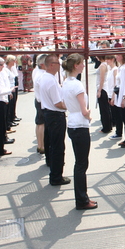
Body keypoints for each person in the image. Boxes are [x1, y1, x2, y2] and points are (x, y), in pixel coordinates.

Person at [61, 54, 98, 211]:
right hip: (80, 124)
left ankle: (82, 197)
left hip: (72, 123)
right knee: (82, 164)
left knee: (79, 163)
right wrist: (89, 114)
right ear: (76, 65)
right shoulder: (77, 85)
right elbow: (84, 110)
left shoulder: (66, 83)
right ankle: (82, 199)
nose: (84, 65)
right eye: (82, 63)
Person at [39, 54, 70, 186]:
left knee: (53, 144)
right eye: (57, 63)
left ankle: (55, 172)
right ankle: (56, 176)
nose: (60, 65)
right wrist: (70, 106)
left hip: (50, 114)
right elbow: (58, 103)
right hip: (55, 115)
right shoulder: (50, 80)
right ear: (51, 65)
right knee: (58, 147)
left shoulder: (46, 78)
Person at [95, 55, 112, 134]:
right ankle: (108, 125)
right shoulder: (105, 64)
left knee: (103, 109)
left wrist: (99, 90)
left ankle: (106, 127)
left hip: (102, 88)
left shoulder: (102, 65)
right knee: (105, 108)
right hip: (104, 87)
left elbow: (102, 79)